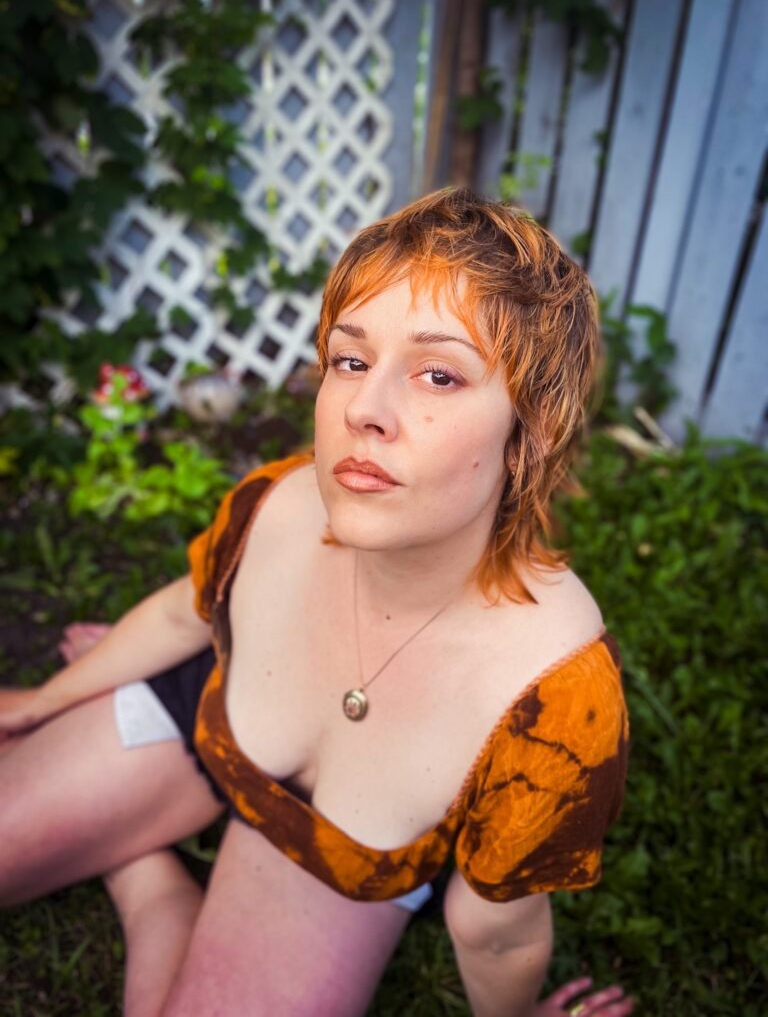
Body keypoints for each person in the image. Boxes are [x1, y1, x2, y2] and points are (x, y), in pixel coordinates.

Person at [0, 188, 633, 1017]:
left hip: (334, 858)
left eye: (439, 374)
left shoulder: (553, 702)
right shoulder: (274, 505)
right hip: (210, 706)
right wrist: (41, 704)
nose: (365, 410)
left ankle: (141, 871)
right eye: (351, 361)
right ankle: (136, 811)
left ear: (532, 430)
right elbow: (183, 614)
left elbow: (496, 934)